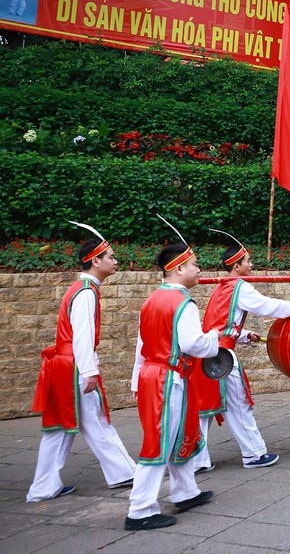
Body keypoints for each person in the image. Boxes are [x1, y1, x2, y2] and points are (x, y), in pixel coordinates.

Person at [189, 234, 290, 471]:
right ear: (236, 265)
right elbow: (267, 306)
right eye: (248, 261)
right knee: (238, 405)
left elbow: (219, 325)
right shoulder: (239, 287)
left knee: (205, 409)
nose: (252, 265)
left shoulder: (222, 288)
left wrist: (242, 334)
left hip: (207, 355)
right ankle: (254, 454)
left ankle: (196, 461)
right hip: (222, 357)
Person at [27, 226, 136, 502]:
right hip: (73, 366)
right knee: (94, 420)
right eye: (110, 256)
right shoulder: (87, 292)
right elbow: (82, 337)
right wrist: (89, 371)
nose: (115, 261)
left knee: (62, 426)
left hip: (64, 365)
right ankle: (124, 472)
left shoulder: (82, 288)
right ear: (94, 260)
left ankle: (44, 486)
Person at [126, 240, 226, 531]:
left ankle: (185, 492)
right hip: (167, 379)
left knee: (178, 433)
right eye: (194, 264)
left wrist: (136, 378)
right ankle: (140, 509)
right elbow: (193, 344)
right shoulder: (183, 302)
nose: (199, 269)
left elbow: (142, 345)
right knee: (160, 442)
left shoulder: (152, 300)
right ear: (178, 267)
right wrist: (214, 337)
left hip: (154, 375)